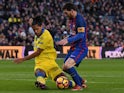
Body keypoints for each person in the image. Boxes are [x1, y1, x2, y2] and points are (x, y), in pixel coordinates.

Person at [14, 16, 75, 89]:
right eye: (34, 30)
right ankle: (41, 83)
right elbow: (33, 21)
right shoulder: (38, 33)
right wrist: (31, 22)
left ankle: (74, 83)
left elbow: (38, 52)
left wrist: (23, 59)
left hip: (50, 63)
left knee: (63, 80)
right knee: (39, 73)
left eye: (37, 29)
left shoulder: (45, 36)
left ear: (41, 26)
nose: (35, 31)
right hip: (41, 63)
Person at [56, 3, 88, 91]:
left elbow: (81, 35)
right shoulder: (72, 20)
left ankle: (79, 86)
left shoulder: (79, 20)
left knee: (67, 66)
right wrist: (64, 39)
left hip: (80, 48)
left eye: (66, 13)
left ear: (72, 11)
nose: (65, 15)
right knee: (64, 67)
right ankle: (80, 80)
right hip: (74, 47)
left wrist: (68, 41)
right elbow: (73, 34)